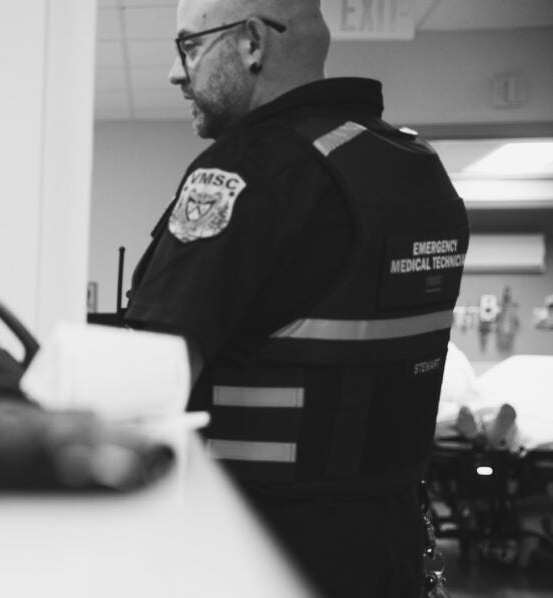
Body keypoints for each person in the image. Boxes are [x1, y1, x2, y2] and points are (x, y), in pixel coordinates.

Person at [122, 0, 469, 596]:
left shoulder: (252, 169)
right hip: (388, 549)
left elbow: (151, 378)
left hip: (258, 550)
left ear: (252, 42)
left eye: (189, 47)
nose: (177, 74)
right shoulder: (415, 166)